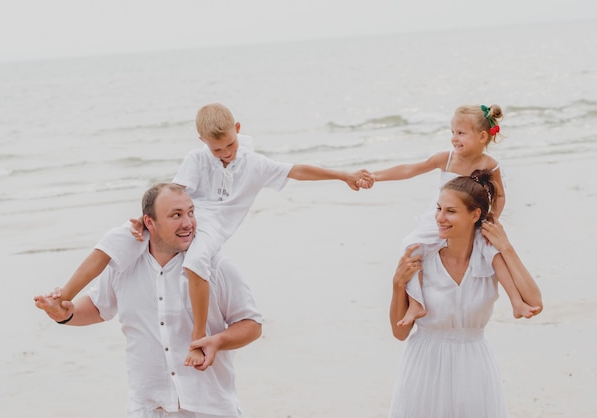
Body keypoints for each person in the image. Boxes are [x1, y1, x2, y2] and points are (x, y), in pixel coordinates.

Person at [47, 102, 373, 367]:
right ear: (203, 142)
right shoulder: (196, 158)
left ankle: (198, 337)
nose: (226, 152)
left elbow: (297, 170)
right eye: (217, 149)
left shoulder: (254, 163)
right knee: (118, 237)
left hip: (214, 227)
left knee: (196, 262)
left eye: (230, 144)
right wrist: (145, 219)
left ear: (239, 130)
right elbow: (176, 193)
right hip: (188, 216)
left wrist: (343, 176)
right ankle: (62, 296)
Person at [35, 183, 263, 418]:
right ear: (149, 223)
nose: (188, 223)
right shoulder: (123, 265)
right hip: (147, 408)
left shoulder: (216, 267)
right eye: (176, 215)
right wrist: (65, 314)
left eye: (191, 212)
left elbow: (252, 324)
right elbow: (98, 306)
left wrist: (218, 341)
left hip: (209, 408)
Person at [359, 104, 537, 325]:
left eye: (461, 133)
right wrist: (375, 176)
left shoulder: (489, 165)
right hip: (441, 219)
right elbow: (409, 169)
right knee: (411, 245)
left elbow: (500, 195)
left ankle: (516, 301)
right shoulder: (447, 158)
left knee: (494, 254)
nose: (454, 138)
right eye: (452, 132)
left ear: (482, 137)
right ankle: (416, 303)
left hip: (475, 220)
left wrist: (493, 218)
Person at [388, 169, 543, 418]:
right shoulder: (421, 259)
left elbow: (534, 302)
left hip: (474, 366)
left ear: (475, 215)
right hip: (424, 367)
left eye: (450, 211)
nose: (440, 218)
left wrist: (506, 246)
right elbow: (399, 332)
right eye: (439, 209)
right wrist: (397, 284)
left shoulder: (488, 258)